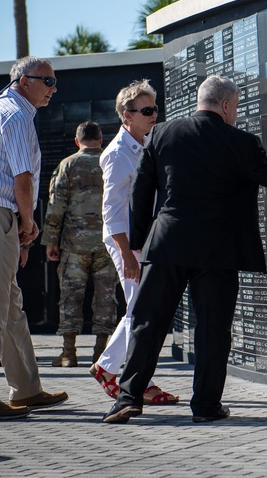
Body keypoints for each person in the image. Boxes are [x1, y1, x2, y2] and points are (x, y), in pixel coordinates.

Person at [102, 74, 267, 424]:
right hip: (218, 251)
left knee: (147, 323)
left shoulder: (162, 134)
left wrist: (139, 245)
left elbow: (142, 192)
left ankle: (127, 399)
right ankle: (205, 406)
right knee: (213, 329)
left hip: (167, 244)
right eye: (237, 107)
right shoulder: (241, 142)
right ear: (227, 105)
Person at [0, 56, 69, 421]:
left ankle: (27, 389)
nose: (53, 89)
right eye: (47, 82)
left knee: (8, 305)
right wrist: (27, 224)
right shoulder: (17, 115)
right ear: (24, 81)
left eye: (54, 82)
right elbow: (23, 179)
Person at [90, 80, 178, 405]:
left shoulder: (144, 144)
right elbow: (110, 210)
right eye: (146, 111)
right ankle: (118, 371)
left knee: (141, 309)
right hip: (126, 241)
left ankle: (119, 371)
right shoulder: (116, 154)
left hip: (141, 239)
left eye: (154, 109)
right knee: (141, 310)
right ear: (126, 116)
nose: (153, 115)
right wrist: (126, 253)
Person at [42, 121, 117, 367]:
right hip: (108, 244)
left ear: (77, 141)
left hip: (74, 246)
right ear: (100, 139)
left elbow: (56, 206)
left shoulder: (67, 165)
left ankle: (68, 353)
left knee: (70, 298)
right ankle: (101, 352)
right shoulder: (111, 161)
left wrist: (51, 240)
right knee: (106, 297)